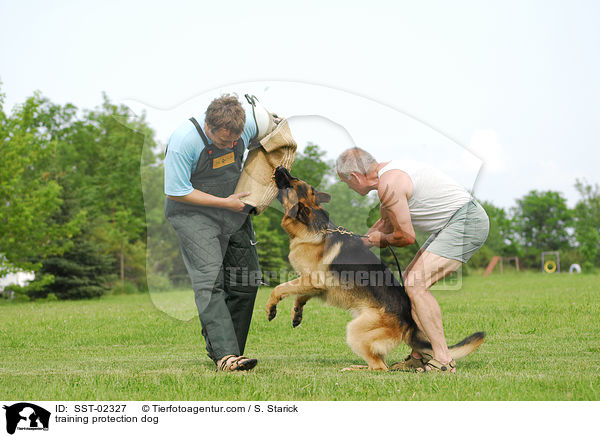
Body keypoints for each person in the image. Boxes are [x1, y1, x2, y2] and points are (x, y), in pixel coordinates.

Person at [336, 147, 489, 373]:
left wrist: (381, 240)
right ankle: (421, 355)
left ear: (355, 177)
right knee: (410, 281)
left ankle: (443, 360)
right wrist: (356, 245)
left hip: (466, 222)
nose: (349, 187)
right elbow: (385, 223)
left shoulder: (390, 184)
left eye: (346, 182)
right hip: (452, 224)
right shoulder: (387, 178)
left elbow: (406, 237)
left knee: (416, 285)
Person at [164, 94, 268, 372]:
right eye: (223, 142)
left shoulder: (246, 125)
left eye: (235, 142)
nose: (231, 147)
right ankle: (226, 356)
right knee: (210, 280)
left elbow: (277, 129)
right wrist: (224, 203)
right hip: (191, 213)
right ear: (209, 126)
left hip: (233, 207)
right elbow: (177, 191)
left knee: (247, 280)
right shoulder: (184, 142)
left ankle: (223, 343)